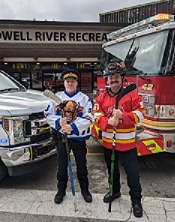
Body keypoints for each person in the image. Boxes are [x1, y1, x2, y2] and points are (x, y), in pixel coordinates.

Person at [92, 62, 144, 218]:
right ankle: (114, 192)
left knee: (133, 174)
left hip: (128, 145)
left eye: (116, 76)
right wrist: (107, 122)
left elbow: (141, 114)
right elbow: (96, 116)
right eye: (110, 77)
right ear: (107, 80)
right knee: (112, 171)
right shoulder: (101, 98)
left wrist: (124, 116)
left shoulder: (132, 95)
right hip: (109, 144)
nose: (113, 80)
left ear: (122, 78)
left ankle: (136, 201)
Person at [44, 69, 93, 204]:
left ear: (77, 83)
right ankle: (61, 191)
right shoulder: (56, 97)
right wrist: (58, 122)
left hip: (78, 139)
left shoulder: (84, 98)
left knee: (82, 166)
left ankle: (85, 190)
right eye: (67, 81)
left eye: (73, 81)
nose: (70, 83)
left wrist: (72, 127)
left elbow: (89, 117)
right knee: (61, 166)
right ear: (64, 83)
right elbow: (48, 115)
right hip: (62, 139)